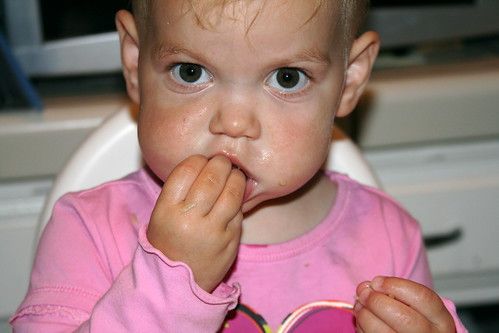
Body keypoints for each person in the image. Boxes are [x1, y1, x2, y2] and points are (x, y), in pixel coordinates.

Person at [11, 0, 467, 332]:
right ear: (134, 62)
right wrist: (169, 282)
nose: (233, 122)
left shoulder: (389, 237)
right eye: (190, 72)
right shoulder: (87, 231)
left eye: (286, 78)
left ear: (350, 80)